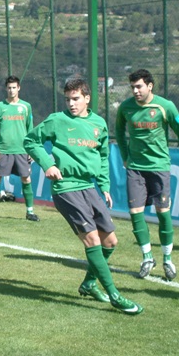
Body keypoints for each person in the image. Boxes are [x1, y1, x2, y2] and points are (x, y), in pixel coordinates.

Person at [24, 78, 143, 315]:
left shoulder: (98, 124)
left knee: (111, 242)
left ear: (87, 98)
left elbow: (102, 157)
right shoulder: (57, 120)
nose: (71, 103)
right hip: (65, 187)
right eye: (67, 99)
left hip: (89, 187)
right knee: (92, 240)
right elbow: (31, 140)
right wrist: (47, 164)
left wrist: (105, 187)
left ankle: (89, 284)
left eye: (75, 98)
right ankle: (114, 296)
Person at [115, 69, 179, 280]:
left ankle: (168, 259)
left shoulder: (165, 106)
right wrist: (125, 156)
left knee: (163, 212)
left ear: (150, 86)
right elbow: (118, 131)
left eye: (139, 86)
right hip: (135, 167)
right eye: (133, 87)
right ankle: (147, 257)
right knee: (135, 212)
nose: (135, 91)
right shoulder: (126, 107)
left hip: (159, 167)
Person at [0, 75, 39, 222]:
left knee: (26, 179)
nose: (11, 90)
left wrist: (31, 150)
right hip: (4, 150)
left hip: (21, 150)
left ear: (19, 88)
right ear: (5, 89)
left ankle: (30, 212)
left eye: (14, 87)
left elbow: (30, 130)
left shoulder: (26, 107)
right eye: (9, 88)